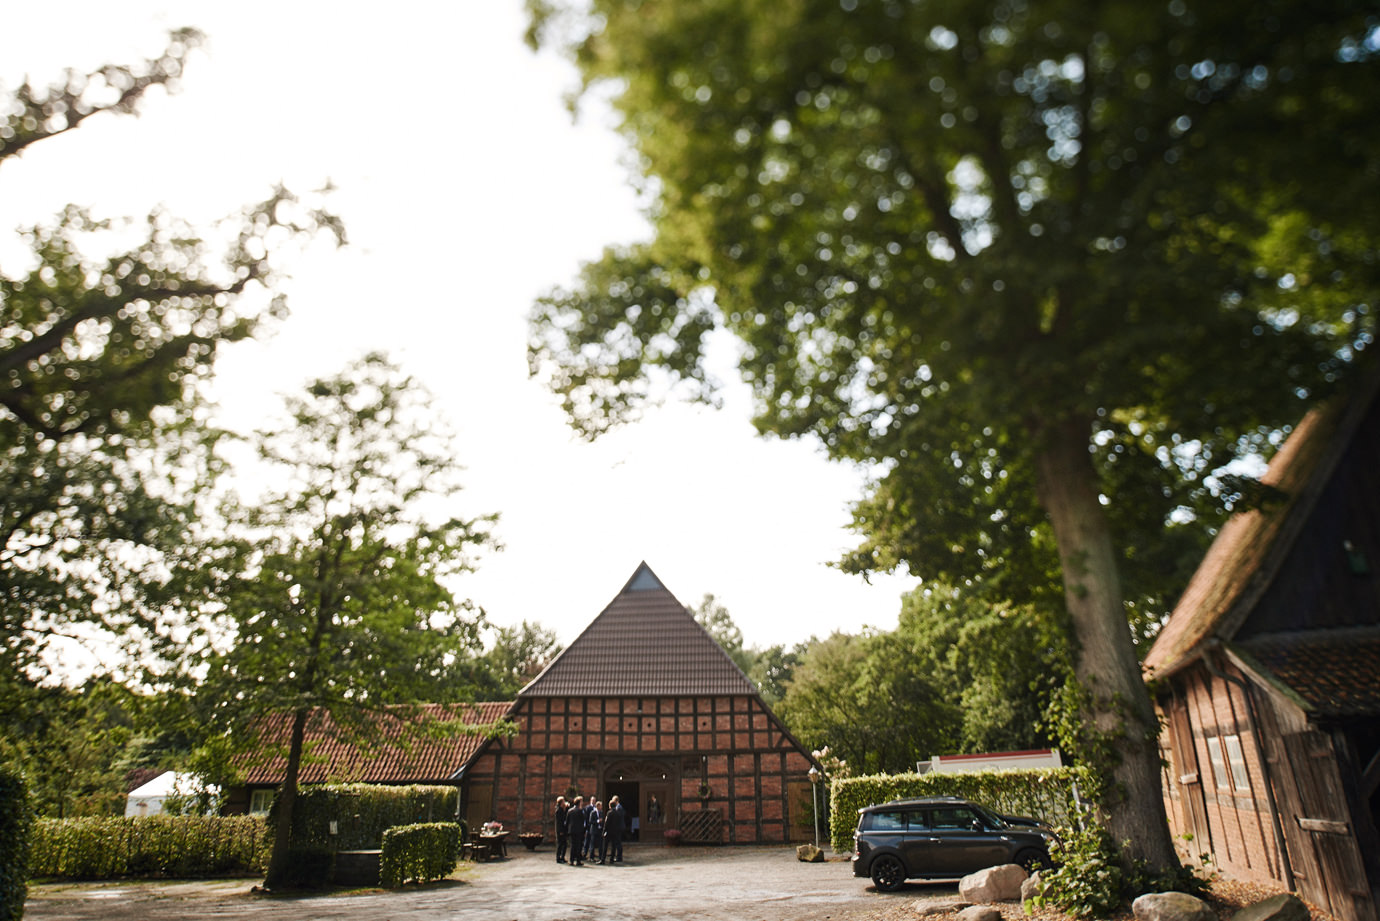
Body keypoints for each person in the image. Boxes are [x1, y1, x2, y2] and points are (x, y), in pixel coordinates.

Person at [604, 795, 626, 864]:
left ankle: (619, 857)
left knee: (618, 842)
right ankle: (617, 856)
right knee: (616, 842)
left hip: (618, 827)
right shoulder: (617, 808)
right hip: (617, 828)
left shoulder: (619, 808)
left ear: (616, 801)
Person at [565, 796, 586, 866]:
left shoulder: (570, 811)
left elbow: (567, 821)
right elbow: (583, 821)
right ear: (579, 803)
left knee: (573, 846)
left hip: (571, 830)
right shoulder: (580, 811)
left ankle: (571, 860)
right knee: (578, 846)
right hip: (579, 831)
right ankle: (578, 860)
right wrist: (584, 831)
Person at [588, 799, 605, 863]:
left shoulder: (601, 812)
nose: (601, 807)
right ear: (597, 806)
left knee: (600, 844)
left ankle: (601, 857)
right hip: (594, 830)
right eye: (600, 806)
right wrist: (598, 821)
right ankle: (591, 857)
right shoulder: (593, 812)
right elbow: (590, 821)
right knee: (592, 844)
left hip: (599, 830)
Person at [554, 795, 570, 864]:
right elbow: (559, 822)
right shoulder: (558, 811)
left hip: (563, 829)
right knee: (560, 844)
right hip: (560, 830)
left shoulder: (562, 809)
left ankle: (562, 857)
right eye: (563, 801)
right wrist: (560, 831)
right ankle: (558, 858)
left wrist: (566, 808)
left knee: (564, 844)